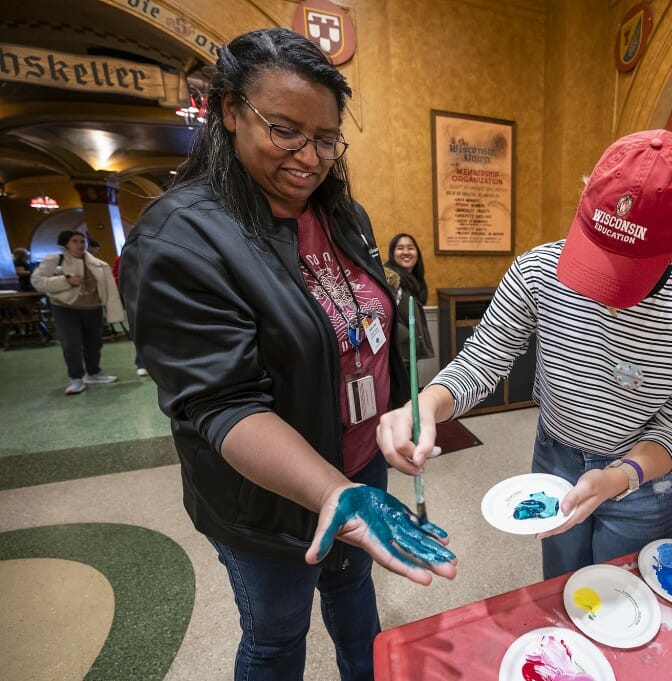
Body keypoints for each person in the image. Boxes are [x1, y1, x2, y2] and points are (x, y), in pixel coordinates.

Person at [118, 28, 455, 681]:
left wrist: (397, 414)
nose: (310, 156)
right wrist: (335, 492)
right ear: (229, 110)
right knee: (277, 635)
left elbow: (367, 328)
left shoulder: (344, 214)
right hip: (265, 501)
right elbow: (223, 405)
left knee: (358, 607)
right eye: (284, 130)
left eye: (326, 138)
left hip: (360, 468)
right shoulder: (180, 236)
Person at [377, 130, 672, 579]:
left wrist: (621, 476)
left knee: (624, 599)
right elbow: (482, 360)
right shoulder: (538, 271)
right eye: (599, 258)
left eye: (631, 269)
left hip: (644, 482)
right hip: (555, 460)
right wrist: (427, 403)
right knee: (563, 592)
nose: (607, 291)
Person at [30, 230, 121, 394]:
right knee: (71, 343)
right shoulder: (55, 259)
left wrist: (111, 310)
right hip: (66, 308)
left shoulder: (97, 264)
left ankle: (93, 373)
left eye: (82, 241)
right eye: (75, 241)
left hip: (93, 308)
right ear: (66, 244)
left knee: (94, 343)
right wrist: (66, 281)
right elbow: (37, 281)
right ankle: (76, 378)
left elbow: (109, 289)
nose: (80, 244)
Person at [384, 233, 434, 367]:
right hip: (395, 357)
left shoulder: (413, 281)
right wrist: (406, 335)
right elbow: (382, 314)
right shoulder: (390, 279)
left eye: (410, 248)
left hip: (407, 354)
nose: (406, 252)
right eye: (400, 248)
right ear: (392, 253)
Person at [110, 254, 147, 377]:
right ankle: (141, 363)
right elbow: (116, 278)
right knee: (140, 331)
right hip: (135, 298)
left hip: (157, 297)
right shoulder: (124, 257)